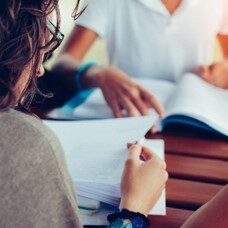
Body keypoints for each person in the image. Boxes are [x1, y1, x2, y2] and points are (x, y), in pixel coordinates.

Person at [1, 0, 228, 227]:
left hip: (196, 130)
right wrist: (94, 72)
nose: (40, 68)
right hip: (126, 121)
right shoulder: (27, 142)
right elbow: (64, 61)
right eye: (42, 35)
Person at [53, 0, 228, 118]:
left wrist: (224, 70)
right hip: (129, 117)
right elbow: (63, 62)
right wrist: (96, 73)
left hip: (195, 119)